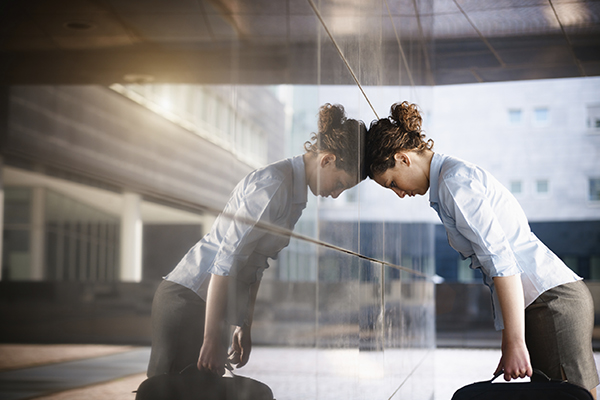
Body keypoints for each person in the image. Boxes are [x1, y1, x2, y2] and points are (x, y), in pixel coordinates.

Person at [365, 101, 599, 398]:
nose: (399, 193)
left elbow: (501, 261)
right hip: (547, 301)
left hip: (550, 302)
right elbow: (496, 268)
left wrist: (515, 341)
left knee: (573, 399)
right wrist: (510, 339)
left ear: (403, 158)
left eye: (392, 183)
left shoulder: (453, 183)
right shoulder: (450, 180)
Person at [147, 103, 366, 378]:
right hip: (188, 300)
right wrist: (212, 336)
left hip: (210, 309)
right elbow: (227, 259)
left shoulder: (295, 195)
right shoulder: (275, 184)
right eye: (340, 184)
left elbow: (255, 265)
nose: (335, 194)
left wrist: (242, 324)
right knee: (168, 394)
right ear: (327, 160)